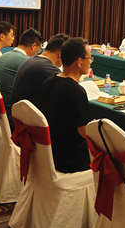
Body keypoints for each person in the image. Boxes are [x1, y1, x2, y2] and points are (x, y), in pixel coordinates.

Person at [39, 38, 93, 174]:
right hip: (70, 160)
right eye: (89, 58)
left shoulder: (49, 82)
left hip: (49, 153)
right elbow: (85, 132)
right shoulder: (76, 91)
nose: (90, 62)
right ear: (79, 61)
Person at [0, 28, 43, 129]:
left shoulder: (4, 56)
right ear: (33, 46)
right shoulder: (27, 62)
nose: (39, 52)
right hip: (7, 114)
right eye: (39, 49)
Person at [12, 33, 69, 110]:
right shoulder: (49, 70)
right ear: (60, 54)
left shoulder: (30, 60)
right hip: (32, 116)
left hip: (19, 114)